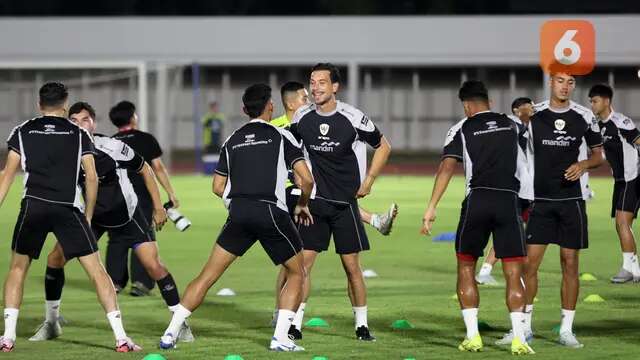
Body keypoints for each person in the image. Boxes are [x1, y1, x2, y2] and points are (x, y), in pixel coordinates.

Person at [158, 84, 314, 352]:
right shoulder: (281, 137)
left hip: (239, 214)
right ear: (270, 107)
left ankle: (170, 333)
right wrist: (301, 205)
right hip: (270, 211)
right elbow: (307, 180)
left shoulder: (231, 140)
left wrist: (237, 206)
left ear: (244, 110)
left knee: (207, 276)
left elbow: (217, 187)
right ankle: (280, 338)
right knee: (297, 272)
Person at [29, 101, 195, 343]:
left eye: (85, 119)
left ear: (93, 122)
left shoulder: (111, 146)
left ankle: (180, 324)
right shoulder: (63, 153)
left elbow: (145, 169)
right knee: (55, 258)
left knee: (154, 266)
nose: (80, 125)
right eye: (73, 121)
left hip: (126, 215)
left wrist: (158, 207)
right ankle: (52, 321)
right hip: (92, 217)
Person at [0, 83, 141, 352]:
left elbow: (7, 175)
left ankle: (7, 337)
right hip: (67, 208)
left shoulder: (22, 131)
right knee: (97, 272)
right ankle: (121, 337)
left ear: (39, 105)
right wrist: (87, 215)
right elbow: (91, 177)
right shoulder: (78, 133)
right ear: (65, 105)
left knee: (18, 268)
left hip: (33, 206)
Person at [270, 81, 399, 330]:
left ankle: (360, 326)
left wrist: (368, 179)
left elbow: (381, 144)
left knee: (337, 266)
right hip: (296, 195)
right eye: (305, 93)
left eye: (318, 86)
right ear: (290, 102)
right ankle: (286, 318)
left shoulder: (343, 117)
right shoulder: (285, 125)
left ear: (334, 86)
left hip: (324, 197)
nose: (309, 97)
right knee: (296, 265)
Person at [421, 81, 534, 355]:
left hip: (478, 201)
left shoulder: (462, 127)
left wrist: (431, 207)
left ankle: (473, 337)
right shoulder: (512, 124)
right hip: (509, 201)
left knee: (465, 266)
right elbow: (531, 155)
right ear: (489, 102)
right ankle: (519, 339)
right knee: (513, 271)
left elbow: (447, 167)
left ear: (466, 106)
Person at [521, 73, 604, 348]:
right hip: (541, 201)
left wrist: (583, 165)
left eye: (570, 82)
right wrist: (520, 115)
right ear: (551, 83)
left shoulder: (584, 116)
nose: (565, 86)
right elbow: (517, 137)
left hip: (571, 201)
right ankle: (524, 328)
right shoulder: (535, 113)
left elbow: (597, 155)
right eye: (560, 80)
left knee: (570, 264)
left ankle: (566, 330)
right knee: (528, 265)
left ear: (574, 86)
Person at [109, 100, 181, 296]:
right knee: (143, 236)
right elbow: (157, 167)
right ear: (133, 117)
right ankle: (141, 282)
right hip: (142, 196)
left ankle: (114, 282)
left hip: (116, 198)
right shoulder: (146, 139)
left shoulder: (110, 142)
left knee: (117, 237)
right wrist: (170, 193)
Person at [476, 97, 534, 286]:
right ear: (517, 110)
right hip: (516, 188)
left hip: (528, 189)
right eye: (528, 107)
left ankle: (487, 270)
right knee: (513, 231)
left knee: (519, 231)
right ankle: (508, 276)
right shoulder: (512, 123)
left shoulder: (531, 126)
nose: (532, 110)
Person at [589, 84, 640, 283]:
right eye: (591, 101)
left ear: (607, 101)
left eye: (595, 101)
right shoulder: (598, 126)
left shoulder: (621, 122)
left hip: (632, 178)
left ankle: (628, 269)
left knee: (622, 222)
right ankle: (634, 270)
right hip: (620, 181)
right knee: (621, 225)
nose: (592, 105)